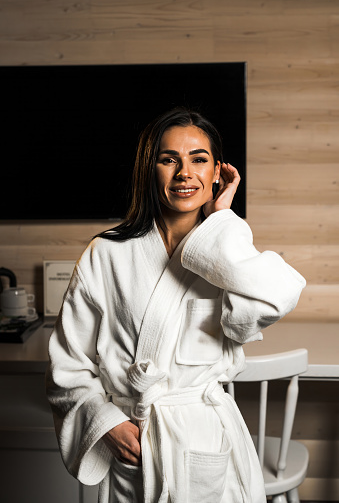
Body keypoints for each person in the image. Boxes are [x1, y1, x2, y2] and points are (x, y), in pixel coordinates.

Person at [46, 107, 306, 503]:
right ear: (149, 170)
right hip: (132, 438)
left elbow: (274, 298)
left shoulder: (228, 254)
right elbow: (68, 363)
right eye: (169, 160)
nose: (185, 173)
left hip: (202, 438)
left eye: (199, 160)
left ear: (217, 172)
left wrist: (221, 224)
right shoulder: (107, 254)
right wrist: (106, 422)